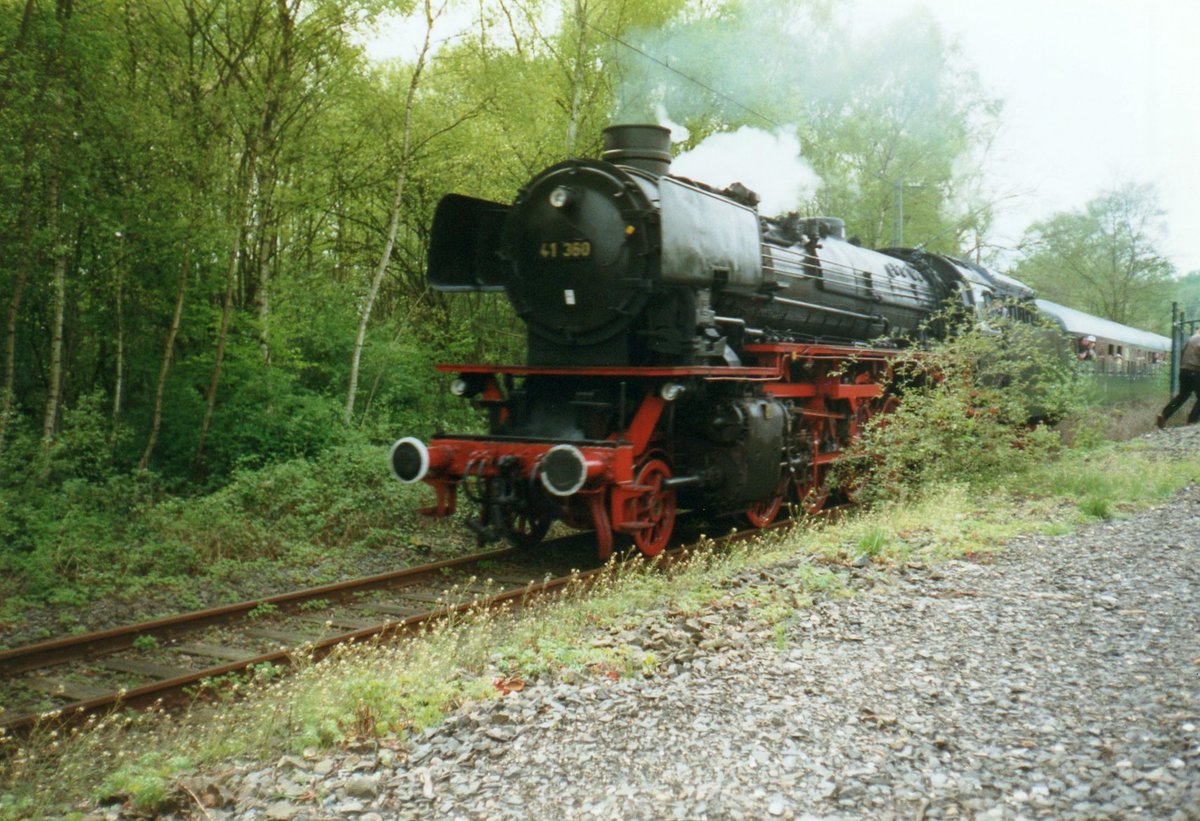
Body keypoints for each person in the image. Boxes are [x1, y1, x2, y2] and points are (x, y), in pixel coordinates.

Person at [1158, 327, 1200, 428]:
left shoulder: (1191, 339)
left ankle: (1164, 414)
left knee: (1183, 395)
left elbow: (1182, 353)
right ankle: (1192, 420)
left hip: (1184, 370)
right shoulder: (1198, 340)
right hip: (1195, 371)